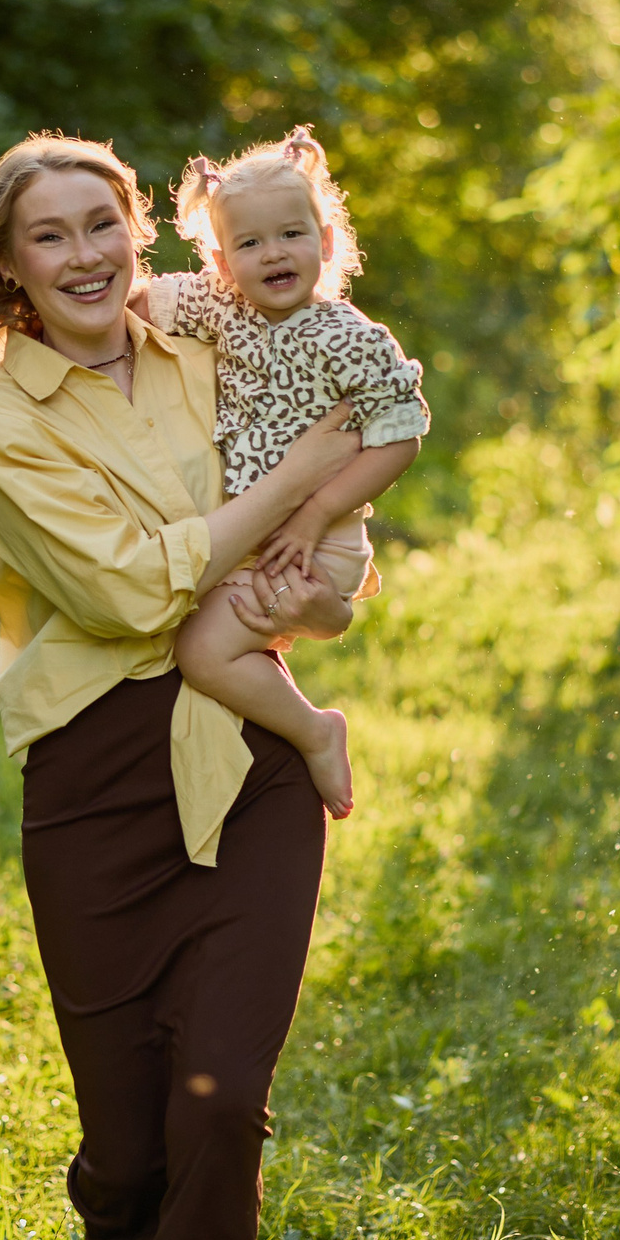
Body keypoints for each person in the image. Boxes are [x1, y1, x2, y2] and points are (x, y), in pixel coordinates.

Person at [0, 133, 363, 1240]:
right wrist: (293, 484)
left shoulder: (213, 341)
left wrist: (313, 577)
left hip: (247, 753)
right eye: (50, 235)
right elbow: (116, 590)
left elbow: (332, 524)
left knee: (222, 1098)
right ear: (9, 263)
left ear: (138, 231)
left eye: (102, 223)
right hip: (94, 781)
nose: (86, 254)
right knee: (126, 1140)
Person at [148, 126, 429, 820]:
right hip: (248, 534)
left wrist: (314, 514)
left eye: (291, 234)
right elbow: (139, 300)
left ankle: (314, 730)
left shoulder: (351, 337)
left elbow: (399, 438)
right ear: (222, 262)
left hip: (317, 539)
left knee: (202, 653)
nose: (273, 252)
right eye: (249, 243)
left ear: (326, 242)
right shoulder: (224, 309)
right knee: (168, 615)